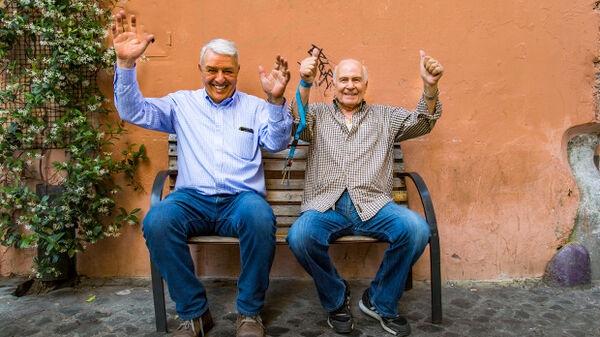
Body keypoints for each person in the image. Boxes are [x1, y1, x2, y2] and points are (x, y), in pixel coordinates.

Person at [111, 10, 293, 337]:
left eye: (227, 71)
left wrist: (276, 101)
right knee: (157, 221)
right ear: (200, 70)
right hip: (192, 199)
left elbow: (277, 142)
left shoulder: (254, 106)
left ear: (238, 71)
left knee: (259, 218)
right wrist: (125, 65)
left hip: (241, 199)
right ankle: (194, 314)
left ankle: (250, 314)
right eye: (212, 70)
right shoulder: (180, 104)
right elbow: (132, 110)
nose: (219, 78)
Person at [286, 49, 444, 336]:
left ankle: (379, 300)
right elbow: (296, 124)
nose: (350, 85)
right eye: (343, 79)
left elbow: (423, 122)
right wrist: (305, 84)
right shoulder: (317, 115)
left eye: (356, 79)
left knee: (416, 229)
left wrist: (430, 87)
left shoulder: (386, 117)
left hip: (372, 206)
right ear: (333, 85)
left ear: (365, 85)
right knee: (300, 236)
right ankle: (336, 299)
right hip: (326, 207)